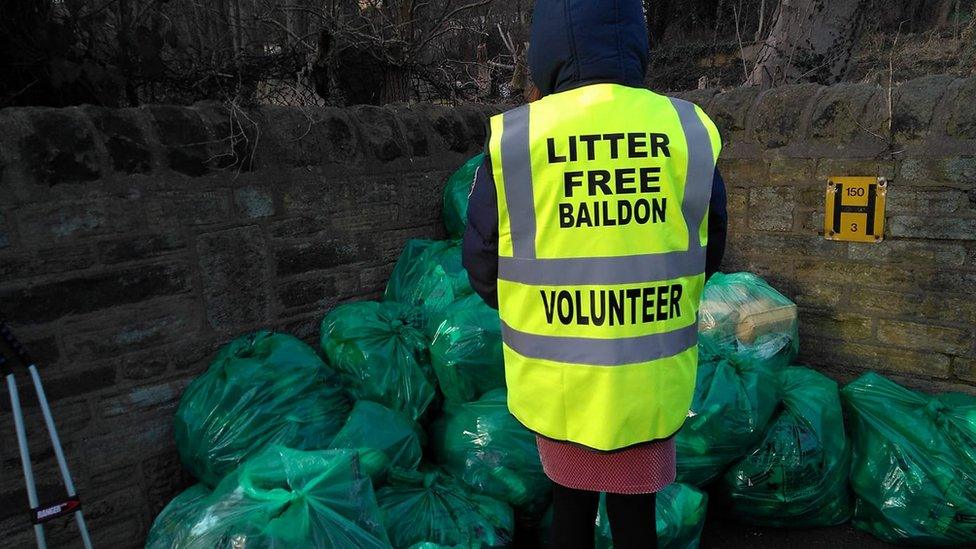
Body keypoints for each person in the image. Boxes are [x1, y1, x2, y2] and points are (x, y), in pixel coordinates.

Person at [461, 1, 728, 548]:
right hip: (649, 381)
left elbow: (483, 266)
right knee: (637, 519)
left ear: (547, 47)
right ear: (635, 40)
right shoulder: (685, 128)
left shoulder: (519, 138)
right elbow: (710, 248)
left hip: (560, 382)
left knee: (569, 510)